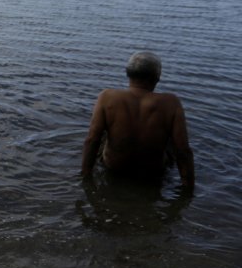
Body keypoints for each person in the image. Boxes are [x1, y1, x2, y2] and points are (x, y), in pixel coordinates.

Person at [81, 51, 195, 192]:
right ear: (157, 77)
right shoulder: (171, 103)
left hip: (115, 168)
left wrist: (85, 176)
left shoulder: (106, 97)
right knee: (172, 140)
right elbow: (183, 150)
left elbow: (91, 140)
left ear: (128, 74)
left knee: (103, 135)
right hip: (152, 172)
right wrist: (188, 189)